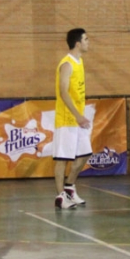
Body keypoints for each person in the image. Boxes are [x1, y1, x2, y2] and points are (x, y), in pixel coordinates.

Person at [53, 28, 92, 209]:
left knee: (84, 155)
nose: (88, 42)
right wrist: (77, 116)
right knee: (62, 159)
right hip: (66, 119)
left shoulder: (80, 61)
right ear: (77, 43)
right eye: (86, 39)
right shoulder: (67, 64)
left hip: (78, 119)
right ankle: (61, 196)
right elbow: (63, 92)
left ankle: (69, 187)